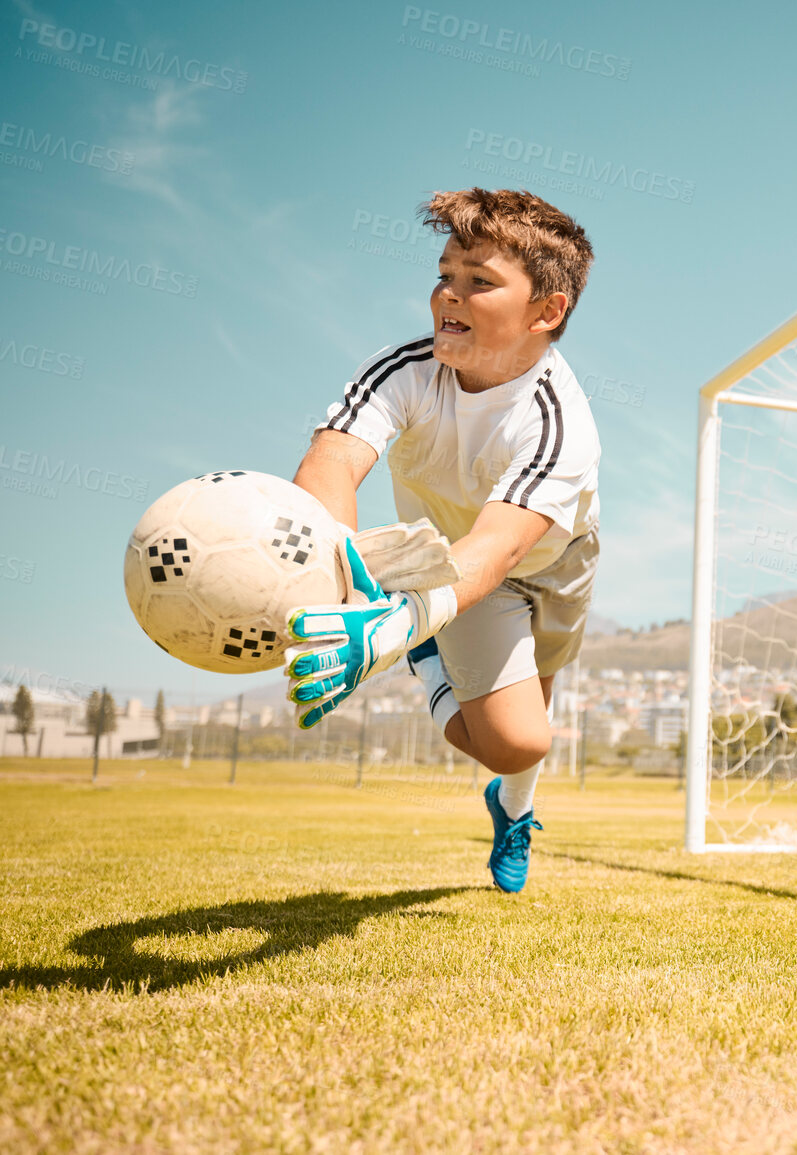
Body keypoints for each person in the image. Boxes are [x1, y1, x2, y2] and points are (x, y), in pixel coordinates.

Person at [285, 187, 599, 893]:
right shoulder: (406, 369)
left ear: (546, 312)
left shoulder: (558, 421)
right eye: (444, 276)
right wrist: (346, 589)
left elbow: (502, 546)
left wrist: (397, 624)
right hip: (451, 567)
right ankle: (430, 659)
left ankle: (513, 811)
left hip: (551, 557)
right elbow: (332, 461)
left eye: (479, 282)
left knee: (531, 725)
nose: (447, 297)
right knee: (517, 741)